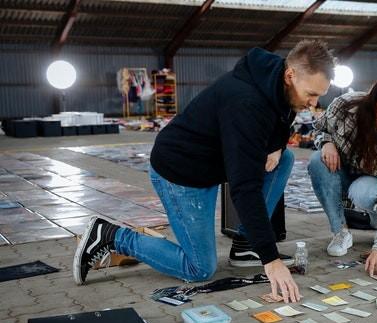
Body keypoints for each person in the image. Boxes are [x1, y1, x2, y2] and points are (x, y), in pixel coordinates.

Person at [73, 40, 335, 303]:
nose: (314, 103)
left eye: (319, 95)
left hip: (212, 164)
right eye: (311, 94)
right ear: (290, 75)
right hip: (182, 173)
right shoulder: (246, 103)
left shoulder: (278, 86)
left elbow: (277, 127)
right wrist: (271, 258)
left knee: (285, 158)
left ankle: (245, 247)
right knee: (199, 268)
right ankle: (110, 235)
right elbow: (244, 187)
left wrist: (276, 146)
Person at [308, 66, 377, 277]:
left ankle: (376, 216)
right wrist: (326, 143)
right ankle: (341, 232)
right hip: (343, 171)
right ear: (373, 98)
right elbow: (320, 128)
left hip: (372, 185)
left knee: (363, 192)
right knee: (316, 161)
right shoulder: (344, 105)